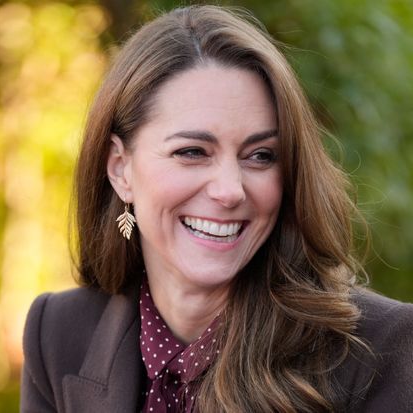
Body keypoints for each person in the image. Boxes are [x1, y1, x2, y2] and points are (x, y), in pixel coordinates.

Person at [20, 5, 413, 413]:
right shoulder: (57, 334)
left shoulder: (381, 350)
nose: (230, 191)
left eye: (260, 155)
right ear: (121, 169)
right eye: (192, 152)